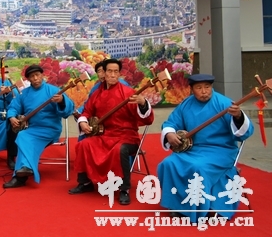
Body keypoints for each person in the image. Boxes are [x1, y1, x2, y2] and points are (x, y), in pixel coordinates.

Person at [157, 74, 253, 222]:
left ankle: (198, 209)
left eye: (207, 87)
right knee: (168, 163)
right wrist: (169, 133)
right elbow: (171, 122)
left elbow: (244, 132)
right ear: (192, 89)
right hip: (193, 149)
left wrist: (238, 116)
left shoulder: (223, 103)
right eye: (199, 88)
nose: (204, 91)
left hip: (221, 150)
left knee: (198, 167)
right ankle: (177, 205)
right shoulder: (186, 104)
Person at [70, 58, 153, 205]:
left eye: (116, 72)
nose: (113, 75)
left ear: (119, 74)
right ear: (104, 73)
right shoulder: (97, 93)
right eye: (109, 71)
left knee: (120, 150)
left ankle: (124, 189)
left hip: (126, 136)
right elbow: (87, 111)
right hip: (104, 135)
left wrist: (142, 103)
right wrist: (83, 122)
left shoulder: (128, 92)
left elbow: (147, 119)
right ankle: (85, 182)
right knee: (84, 145)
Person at [3, 64, 74, 188]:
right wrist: (12, 117)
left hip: (50, 129)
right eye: (32, 76)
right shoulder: (24, 94)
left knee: (27, 140)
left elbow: (67, 111)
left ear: (42, 75)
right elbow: (13, 107)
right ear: (28, 79)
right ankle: (24, 170)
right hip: (33, 128)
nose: (35, 78)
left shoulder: (53, 91)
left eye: (37, 75)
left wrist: (62, 101)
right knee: (22, 135)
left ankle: (20, 176)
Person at [75, 61, 130, 141]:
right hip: (99, 124)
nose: (101, 74)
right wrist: (82, 118)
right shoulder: (96, 88)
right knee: (85, 141)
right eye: (99, 71)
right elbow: (89, 106)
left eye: (103, 71)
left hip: (118, 125)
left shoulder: (123, 86)